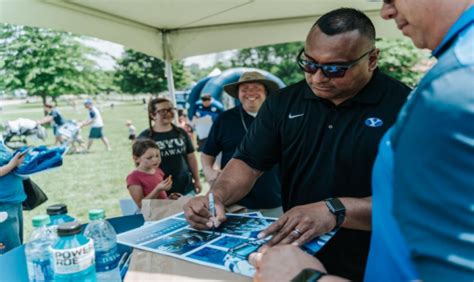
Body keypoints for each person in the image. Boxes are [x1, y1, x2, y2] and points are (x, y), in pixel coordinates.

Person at [251, 1, 474, 281]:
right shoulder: (454, 73)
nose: (386, 12)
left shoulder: (459, 83)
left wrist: (305, 279)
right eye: (309, 64)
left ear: (371, 60)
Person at [184, 8, 412, 280]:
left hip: (376, 257)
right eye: (310, 64)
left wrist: (335, 210)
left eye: (335, 69)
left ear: (372, 59)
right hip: (298, 254)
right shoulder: (283, 102)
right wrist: (217, 196)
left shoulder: (406, 108)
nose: (317, 78)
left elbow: (414, 202)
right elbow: (248, 161)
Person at [201, 71, 282, 217]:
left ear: (266, 92)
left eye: (256, 87)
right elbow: (208, 152)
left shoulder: (280, 117)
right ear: (238, 94)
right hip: (236, 204)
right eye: (244, 89)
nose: (250, 92)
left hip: (276, 200)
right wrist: (208, 170)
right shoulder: (225, 119)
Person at [138, 98, 202, 196]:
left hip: (186, 188)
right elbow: (139, 166)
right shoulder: (145, 137)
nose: (168, 113)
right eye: (163, 111)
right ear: (153, 115)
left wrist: (197, 179)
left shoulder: (181, 133)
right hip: (160, 192)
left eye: (171, 109)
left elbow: (191, 157)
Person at [126, 139, 180, 209]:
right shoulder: (133, 177)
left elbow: (158, 198)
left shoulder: (158, 171)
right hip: (150, 216)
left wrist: (168, 199)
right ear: (136, 159)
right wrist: (158, 189)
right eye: (149, 158)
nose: (155, 160)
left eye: (157, 156)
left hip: (163, 211)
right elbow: (141, 205)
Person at [0, 138, 26, 253]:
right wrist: (11, 165)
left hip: (13, 201)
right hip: (3, 206)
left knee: (17, 247)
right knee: (11, 253)